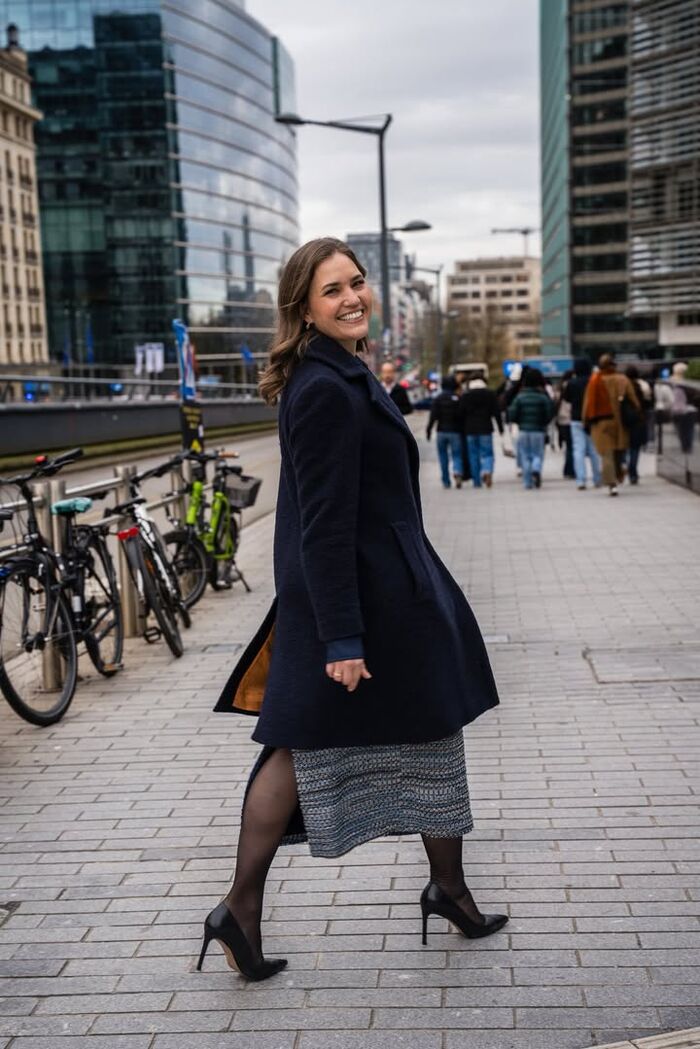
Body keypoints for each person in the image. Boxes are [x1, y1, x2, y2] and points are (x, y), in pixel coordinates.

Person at [202, 238, 506, 982]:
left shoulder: (342, 371)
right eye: (332, 289)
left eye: (357, 283)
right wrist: (341, 635)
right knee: (299, 743)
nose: (351, 298)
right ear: (304, 308)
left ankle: (448, 888)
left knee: (424, 731)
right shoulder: (324, 390)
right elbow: (323, 526)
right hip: (363, 605)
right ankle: (240, 907)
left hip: (389, 595)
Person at [582, 353, 640, 496]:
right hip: (620, 422)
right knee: (619, 452)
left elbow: (587, 403)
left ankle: (612, 484)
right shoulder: (622, 379)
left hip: (601, 422)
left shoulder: (594, 381)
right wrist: (637, 414)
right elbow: (634, 401)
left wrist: (585, 421)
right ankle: (619, 472)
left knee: (607, 454)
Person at [507, 369, 555, 489]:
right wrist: (544, 423)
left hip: (523, 430)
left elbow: (512, 414)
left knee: (525, 455)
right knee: (537, 454)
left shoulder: (520, 397)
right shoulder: (542, 397)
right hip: (538, 430)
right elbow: (550, 412)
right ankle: (536, 468)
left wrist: (519, 422)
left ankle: (527, 482)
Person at [459, 376, 503, 488]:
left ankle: (476, 481)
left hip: (470, 430)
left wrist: (461, 429)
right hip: (486, 428)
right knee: (487, 453)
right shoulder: (490, 394)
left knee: (473, 455)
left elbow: (461, 413)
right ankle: (487, 470)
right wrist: (500, 428)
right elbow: (496, 412)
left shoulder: (466, 395)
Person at [564, 357, 601, 490]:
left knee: (578, 450)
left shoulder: (572, 383)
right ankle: (597, 479)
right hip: (592, 418)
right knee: (594, 450)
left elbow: (567, 399)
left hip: (576, 419)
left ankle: (581, 480)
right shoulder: (594, 381)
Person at [426, 376, 465, 488]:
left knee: (443, 456)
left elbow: (433, 416)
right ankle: (457, 471)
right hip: (455, 431)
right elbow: (462, 415)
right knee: (457, 455)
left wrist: (429, 430)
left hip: (441, 431)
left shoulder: (438, 399)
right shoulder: (458, 398)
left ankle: (446, 480)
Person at [624, 364, 653, 484]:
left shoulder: (622, 385)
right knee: (635, 448)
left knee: (626, 447)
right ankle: (633, 473)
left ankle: (628, 468)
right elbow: (649, 402)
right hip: (638, 419)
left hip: (625, 420)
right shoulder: (643, 385)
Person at [555, 371, 575, 479]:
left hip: (562, 419)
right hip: (571, 418)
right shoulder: (572, 386)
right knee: (572, 446)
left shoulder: (559, 388)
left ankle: (567, 469)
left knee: (568, 445)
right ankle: (570, 469)